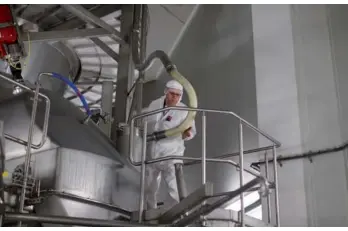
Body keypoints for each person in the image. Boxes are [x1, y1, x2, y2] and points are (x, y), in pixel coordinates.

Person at [143, 80, 196, 210]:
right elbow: (147, 122)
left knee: (174, 186)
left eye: (178, 95)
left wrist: (187, 133)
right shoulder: (155, 104)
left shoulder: (184, 111)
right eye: (172, 94)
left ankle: (175, 213)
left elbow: (192, 131)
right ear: (166, 92)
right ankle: (150, 211)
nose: (175, 97)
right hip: (153, 150)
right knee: (149, 186)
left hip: (172, 152)